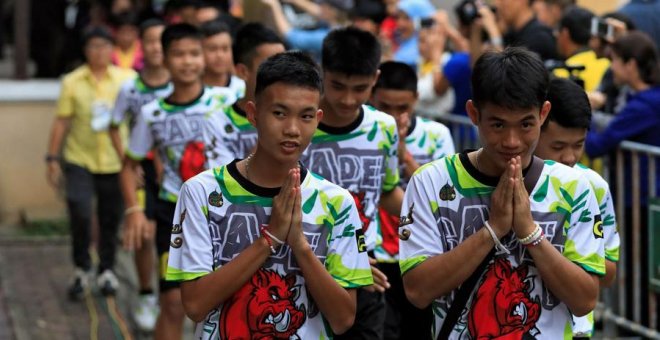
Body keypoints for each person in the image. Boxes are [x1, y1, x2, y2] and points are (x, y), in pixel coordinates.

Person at [166, 50, 373, 339]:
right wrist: (270, 239)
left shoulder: (337, 202)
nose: (292, 129)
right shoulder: (202, 192)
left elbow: (343, 319)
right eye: (279, 113)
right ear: (253, 114)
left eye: (306, 116)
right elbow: (195, 304)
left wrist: (300, 245)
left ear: (318, 119)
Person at [399, 47, 604, 339]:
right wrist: (492, 230)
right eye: (497, 124)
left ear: (543, 114)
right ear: (473, 113)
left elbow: (585, 301)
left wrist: (530, 232)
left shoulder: (575, 188)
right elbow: (418, 291)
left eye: (526, 124)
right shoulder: (430, 182)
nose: (511, 141)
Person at [119, 23, 236, 340]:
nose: (187, 61)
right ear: (163, 59)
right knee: (172, 303)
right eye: (179, 54)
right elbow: (128, 165)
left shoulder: (228, 99)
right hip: (175, 216)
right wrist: (134, 210)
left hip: (226, 213)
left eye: (194, 53)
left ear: (204, 57)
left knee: (227, 303)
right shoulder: (152, 113)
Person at [300, 27, 403, 339]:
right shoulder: (301, 127)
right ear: (322, 73)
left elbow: (387, 194)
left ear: (375, 78)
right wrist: (342, 265)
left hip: (368, 272)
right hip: (305, 269)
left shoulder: (384, 128)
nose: (347, 99)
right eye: (338, 86)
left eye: (360, 88)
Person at [45, 26, 136, 299]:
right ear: (85, 50)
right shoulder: (72, 81)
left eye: (105, 46)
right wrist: (51, 158)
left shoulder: (128, 79)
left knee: (111, 217)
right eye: (94, 46)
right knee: (80, 211)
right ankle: (81, 268)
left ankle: (107, 270)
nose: (99, 52)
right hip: (79, 158)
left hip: (116, 161)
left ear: (113, 49)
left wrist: (137, 161)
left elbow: (140, 120)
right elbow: (62, 121)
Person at [369, 60, 455, 339]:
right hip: (380, 253)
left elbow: (444, 195)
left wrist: (403, 153)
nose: (394, 115)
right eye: (385, 107)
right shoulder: (367, 132)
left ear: (416, 100)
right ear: (372, 97)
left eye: (402, 108)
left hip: (421, 251)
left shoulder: (436, 135)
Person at [584, 31, 660, 327]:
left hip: (640, 196)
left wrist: (581, 116)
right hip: (640, 194)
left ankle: (638, 324)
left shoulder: (645, 104)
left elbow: (597, 144)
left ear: (631, 64)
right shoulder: (643, 99)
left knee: (640, 268)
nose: (610, 68)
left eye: (614, 61)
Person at [534, 77, 620, 338]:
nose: (570, 157)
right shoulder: (507, 181)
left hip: (574, 329)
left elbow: (608, 273)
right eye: (558, 146)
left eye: (579, 145)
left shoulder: (593, 186)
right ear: (534, 128)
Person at [108, 18, 170, 333]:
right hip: (141, 169)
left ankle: (169, 293)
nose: (157, 47)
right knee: (143, 233)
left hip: (174, 170)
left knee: (170, 236)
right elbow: (113, 124)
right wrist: (128, 163)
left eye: (162, 41)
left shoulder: (180, 84)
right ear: (141, 46)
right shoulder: (130, 87)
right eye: (151, 41)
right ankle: (146, 293)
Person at [219, 23, 286, 158]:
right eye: (271, 66)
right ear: (243, 72)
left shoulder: (299, 116)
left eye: (285, 64)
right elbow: (220, 178)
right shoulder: (218, 122)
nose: (282, 73)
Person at [554, 6, 610, 92]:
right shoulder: (609, 66)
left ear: (565, 33)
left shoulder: (562, 72)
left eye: (557, 31)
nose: (556, 35)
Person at [199, 19, 246, 99]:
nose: (219, 55)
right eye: (212, 49)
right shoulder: (190, 91)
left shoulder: (243, 90)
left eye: (225, 49)